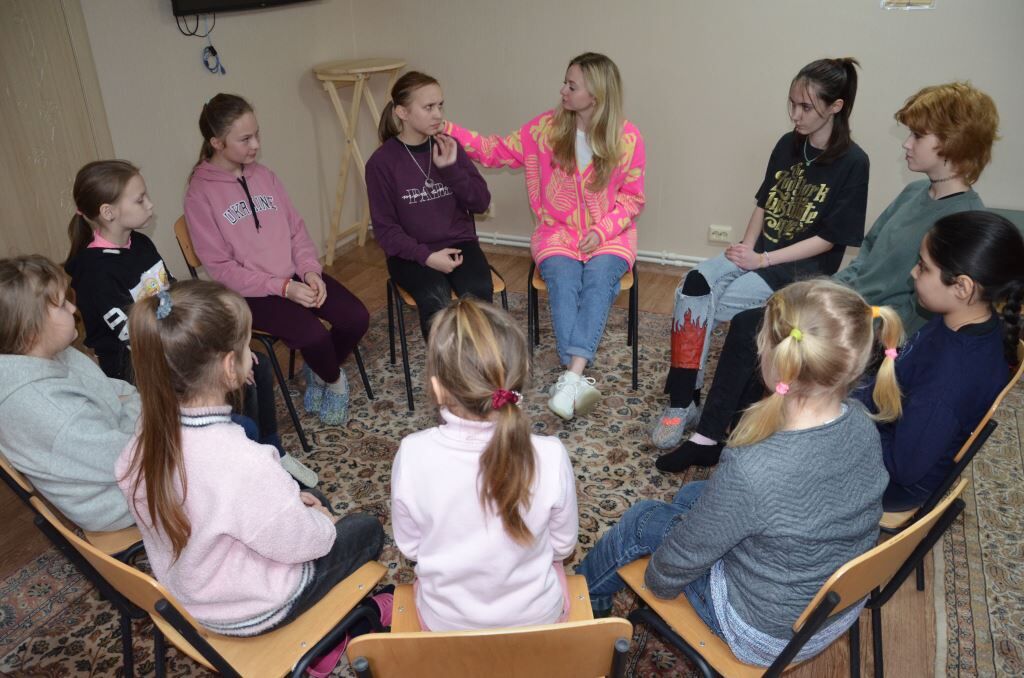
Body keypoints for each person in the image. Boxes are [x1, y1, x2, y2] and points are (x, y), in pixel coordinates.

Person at [656, 81, 1000, 472]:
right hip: (847, 303)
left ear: (953, 143)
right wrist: (826, 292)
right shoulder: (913, 193)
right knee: (755, 323)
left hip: (875, 328)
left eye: (918, 136)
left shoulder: (963, 219)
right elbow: (867, 253)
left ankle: (742, 438)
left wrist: (851, 319)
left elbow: (925, 309)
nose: (906, 144)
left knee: (766, 332)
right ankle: (715, 436)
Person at [578, 279, 901, 666]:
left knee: (643, 519)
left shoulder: (753, 466)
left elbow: (677, 564)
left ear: (773, 356)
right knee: (694, 495)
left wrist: (656, 583)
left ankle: (581, 606)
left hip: (763, 633)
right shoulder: (862, 423)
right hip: (832, 610)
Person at [116, 279, 386, 638]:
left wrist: (296, 506)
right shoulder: (243, 461)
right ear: (231, 366)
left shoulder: (144, 437)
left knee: (310, 496)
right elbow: (307, 544)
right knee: (365, 529)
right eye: (247, 345)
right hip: (253, 607)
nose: (251, 354)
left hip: (190, 593)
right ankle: (343, 630)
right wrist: (323, 523)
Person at [653, 57, 868, 449]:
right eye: (792, 104)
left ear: (836, 106)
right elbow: (764, 202)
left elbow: (829, 240)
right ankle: (684, 400)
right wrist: (746, 249)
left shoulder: (854, 163)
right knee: (693, 286)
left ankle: (698, 401)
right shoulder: (788, 144)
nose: (795, 115)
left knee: (716, 305)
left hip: (798, 271)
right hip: (759, 254)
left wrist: (763, 261)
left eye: (806, 107)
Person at [66, 159, 317, 487]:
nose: (150, 205)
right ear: (108, 212)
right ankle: (244, 459)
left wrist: (224, 347)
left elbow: (177, 299)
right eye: (140, 200)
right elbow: (140, 340)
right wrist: (213, 359)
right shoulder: (94, 272)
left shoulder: (140, 243)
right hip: (143, 367)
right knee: (237, 380)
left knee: (258, 367)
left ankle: (271, 452)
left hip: (175, 345)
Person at [445, 52, 645, 420]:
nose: (563, 91)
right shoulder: (545, 130)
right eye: (565, 83)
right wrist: (447, 129)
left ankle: (570, 376)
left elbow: (632, 199)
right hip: (557, 233)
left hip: (610, 235)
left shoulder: (627, 138)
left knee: (599, 279)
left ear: (596, 95)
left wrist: (601, 231)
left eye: (572, 86)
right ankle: (575, 377)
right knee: (563, 281)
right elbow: (492, 151)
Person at [391, 298, 579, 631]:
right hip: (537, 622)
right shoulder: (550, 454)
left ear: (437, 388)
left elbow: (411, 548)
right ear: (520, 377)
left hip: (445, 625)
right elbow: (563, 546)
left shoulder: (412, 453)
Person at [184, 93, 369, 426]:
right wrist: (282, 288)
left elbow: (296, 230)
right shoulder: (200, 194)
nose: (255, 144)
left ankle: (317, 369)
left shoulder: (264, 175)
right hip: (250, 293)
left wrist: (310, 272)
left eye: (256, 134)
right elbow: (222, 270)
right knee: (313, 336)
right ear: (217, 143)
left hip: (294, 275)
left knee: (355, 318)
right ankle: (333, 380)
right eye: (245, 139)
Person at [856, 212, 1023, 511]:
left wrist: (846, 420)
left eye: (923, 267)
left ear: (962, 287)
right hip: (891, 420)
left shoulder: (947, 383)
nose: (913, 272)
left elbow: (903, 468)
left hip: (890, 481)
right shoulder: (963, 320)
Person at [0, 255, 135, 532]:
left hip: (130, 458)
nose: (74, 308)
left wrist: (126, 409)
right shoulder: (48, 408)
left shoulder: (51, 352)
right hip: (123, 498)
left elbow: (119, 389)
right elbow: (127, 457)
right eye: (62, 304)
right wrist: (136, 409)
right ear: (31, 331)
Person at [366, 71, 494, 338]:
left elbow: (481, 202)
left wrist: (451, 170)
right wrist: (426, 257)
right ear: (402, 112)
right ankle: (443, 363)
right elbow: (386, 232)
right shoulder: (381, 163)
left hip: (459, 243)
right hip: (410, 253)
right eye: (428, 107)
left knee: (478, 291)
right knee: (435, 297)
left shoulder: (449, 146)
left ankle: (479, 361)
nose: (438, 114)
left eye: (440, 106)